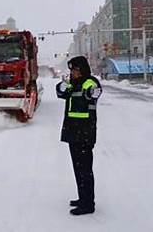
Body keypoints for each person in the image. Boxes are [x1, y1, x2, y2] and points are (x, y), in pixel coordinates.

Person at [56, 56, 102, 215]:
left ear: (81, 69)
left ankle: (88, 204)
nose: (72, 73)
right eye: (71, 70)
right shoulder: (73, 84)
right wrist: (63, 85)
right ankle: (82, 198)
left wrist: (91, 92)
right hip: (73, 133)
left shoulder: (90, 82)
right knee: (78, 169)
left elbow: (93, 93)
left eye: (74, 70)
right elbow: (61, 92)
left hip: (85, 133)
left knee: (85, 170)